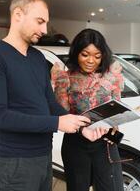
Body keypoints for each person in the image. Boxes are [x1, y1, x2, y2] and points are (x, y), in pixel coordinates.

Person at [0, 0, 105, 191]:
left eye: (46, 23)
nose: (44, 29)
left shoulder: (37, 57)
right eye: (39, 21)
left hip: (44, 156)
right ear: (18, 15)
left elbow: (49, 104)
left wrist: (81, 127)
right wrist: (57, 123)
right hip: (16, 161)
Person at [51, 28, 125, 191]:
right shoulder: (65, 78)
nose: (91, 60)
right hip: (77, 145)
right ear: (76, 53)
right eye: (85, 54)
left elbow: (117, 108)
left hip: (106, 145)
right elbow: (62, 115)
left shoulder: (112, 76)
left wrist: (114, 125)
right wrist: (82, 128)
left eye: (97, 56)